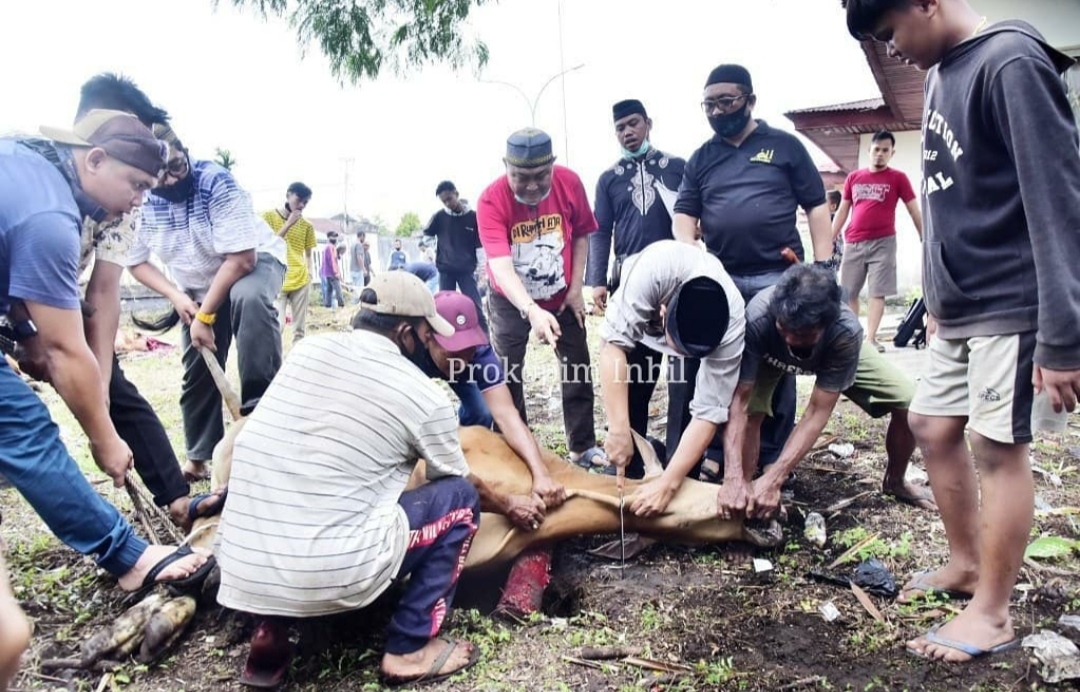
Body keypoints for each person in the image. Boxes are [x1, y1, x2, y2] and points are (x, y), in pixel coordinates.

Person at [844, 0, 1080, 663]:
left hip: (1015, 298)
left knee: (998, 447)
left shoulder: (1010, 61)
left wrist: (1064, 335)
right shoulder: (945, 72)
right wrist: (938, 299)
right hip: (960, 304)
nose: (891, 50)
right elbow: (952, 200)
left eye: (890, 32)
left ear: (926, 2)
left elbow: (1057, 199)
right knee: (930, 423)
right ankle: (965, 565)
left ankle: (994, 612)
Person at [216, 272, 545, 687]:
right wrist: (511, 502)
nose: (431, 344)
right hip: (333, 570)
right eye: (428, 334)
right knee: (459, 499)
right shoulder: (422, 394)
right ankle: (409, 648)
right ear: (406, 333)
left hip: (241, 565)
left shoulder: (305, 351)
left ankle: (269, 635)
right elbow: (462, 482)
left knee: (296, 483)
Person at [0, 109, 212, 595]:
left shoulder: (28, 166)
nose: (138, 200)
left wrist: (26, 333)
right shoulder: (50, 216)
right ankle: (127, 555)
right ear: (94, 160)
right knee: (22, 426)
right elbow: (64, 350)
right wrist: (105, 439)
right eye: (135, 185)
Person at [58, 73, 223, 525]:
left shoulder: (126, 198)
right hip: (30, 296)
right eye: (133, 138)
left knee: (114, 390)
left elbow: (106, 288)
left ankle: (174, 496)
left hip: (58, 297)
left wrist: (100, 384)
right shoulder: (43, 184)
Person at [671, 63, 833, 481]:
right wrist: (693, 259)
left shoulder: (784, 146)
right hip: (720, 278)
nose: (717, 111)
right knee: (712, 363)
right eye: (709, 104)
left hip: (777, 277)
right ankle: (711, 454)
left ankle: (772, 456)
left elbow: (816, 204)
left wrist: (823, 266)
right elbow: (684, 214)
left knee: (776, 367)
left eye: (727, 101)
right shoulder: (702, 158)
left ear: (750, 100)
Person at [128, 125, 287, 483]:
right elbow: (136, 262)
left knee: (249, 299)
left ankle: (260, 420)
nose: (170, 180)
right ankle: (200, 455)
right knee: (198, 361)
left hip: (253, 261)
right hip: (197, 284)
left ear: (186, 152)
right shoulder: (139, 196)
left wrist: (205, 313)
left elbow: (242, 259)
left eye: (177, 167)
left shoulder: (216, 182)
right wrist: (179, 297)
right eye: (160, 175)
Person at [718, 264, 935, 522]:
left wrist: (775, 479)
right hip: (769, 356)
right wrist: (732, 478)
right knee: (753, 412)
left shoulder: (844, 331)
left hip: (833, 353)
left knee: (909, 402)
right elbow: (740, 403)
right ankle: (744, 498)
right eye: (782, 328)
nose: (788, 338)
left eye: (798, 334)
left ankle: (896, 481)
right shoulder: (759, 317)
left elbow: (816, 412)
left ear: (826, 325)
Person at [477, 128, 604, 465]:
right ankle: (516, 449)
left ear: (552, 166)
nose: (532, 186)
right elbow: (501, 267)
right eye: (521, 177)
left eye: (540, 176)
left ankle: (582, 446)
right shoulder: (490, 200)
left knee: (576, 364)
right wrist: (531, 310)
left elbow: (581, 236)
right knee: (507, 372)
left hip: (562, 293)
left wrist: (576, 289)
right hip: (510, 299)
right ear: (506, 166)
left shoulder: (570, 183)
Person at [599, 241, 745, 515]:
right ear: (665, 310)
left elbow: (709, 412)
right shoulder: (653, 273)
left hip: (688, 329)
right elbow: (612, 346)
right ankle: (625, 471)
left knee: (686, 401)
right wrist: (618, 429)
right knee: (631, 395)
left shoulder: (732, 324)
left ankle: (675, 479)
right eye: (677, 348)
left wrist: (668, 483)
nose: (678, 355)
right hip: (640, 322)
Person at [588, 100, 686, 469]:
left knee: (682, 380)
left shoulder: (677, 168)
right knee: (635, 379)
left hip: (677, 284)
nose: (628, 132)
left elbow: (693, 219)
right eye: (620, 128)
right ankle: (632, 462)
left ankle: (681, 462)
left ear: (649, 123)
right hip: (630, 287)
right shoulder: (609, 178)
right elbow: (600, 231)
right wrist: (598, 280)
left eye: (634, 124)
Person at [420, 290, 567, 506]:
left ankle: (472, 461)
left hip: (455, 373)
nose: (461, 360)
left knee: (482, 412)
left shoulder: (479, 354)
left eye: (467, 349)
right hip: (415, 376)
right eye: (453, 351)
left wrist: (541, 474)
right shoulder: (407, 349)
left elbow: (507, 415)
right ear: (427, 337)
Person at [831, 131, 922, 352]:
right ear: (869, 150)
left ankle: (870, 340)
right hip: (854, 242)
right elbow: (843, 210)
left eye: (885, 150)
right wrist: (830, 236)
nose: (880, 154)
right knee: (849, 292)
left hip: (884, 243)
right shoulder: (854, 177)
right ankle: (854, 337)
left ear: (892, 153)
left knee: (877, 292)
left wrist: (924, 236)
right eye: (876, 149)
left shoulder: (898, 178)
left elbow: (913, 209)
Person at [423, 181, 487, 332]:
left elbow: (480, 245)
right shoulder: (439, 217)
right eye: (443, 201)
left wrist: (482, 269)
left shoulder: (473, 217)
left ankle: (485, 339)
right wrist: (434, 251)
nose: (447, 203)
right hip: (446, 270)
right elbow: (426, 236)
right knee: (444, 308)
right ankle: (447, 338)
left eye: (449, 199)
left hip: (466, 270)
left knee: (475, 305)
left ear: (456, 194)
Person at [264, 182, 316, 344]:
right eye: (299, 199)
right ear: (288, 195)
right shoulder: (268, 217)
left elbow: (308, 254)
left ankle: (296, 364)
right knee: (276, 326)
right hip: (277, 279)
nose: (301, 205)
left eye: (305, 203)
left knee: (299, 330)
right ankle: (273, 364)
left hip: (300, 279)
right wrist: (288, 224)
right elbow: (268, 245)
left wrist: (309, 274)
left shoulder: (307, 225)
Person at [320, 232, 345, 308]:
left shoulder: (326, 247)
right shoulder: (331, 247)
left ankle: (327, 305)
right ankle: (341, 305)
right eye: (335, 238)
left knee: (329, 289)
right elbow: (332, 261)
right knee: (338, 289)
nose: (336, 240)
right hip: (332, 273)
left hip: (326, 272)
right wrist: (336, 272)